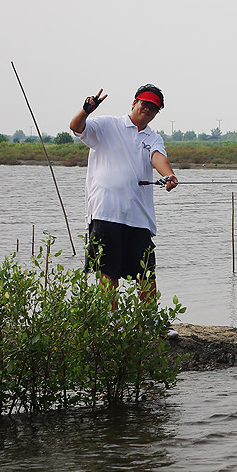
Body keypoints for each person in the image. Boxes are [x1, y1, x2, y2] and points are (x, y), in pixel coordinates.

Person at [70, 83, 179, 337]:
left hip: (138, 215)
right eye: (144, 104)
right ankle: (112, 321)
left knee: (145, 272)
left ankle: (151, 321)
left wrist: (169, 175)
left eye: (153, 108)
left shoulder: (153, 137)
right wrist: (86, 110)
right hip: (105, 211)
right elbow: (76, 128)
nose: (147, 110)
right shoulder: (108, 125)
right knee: (107, 270)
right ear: (134, 102)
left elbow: (158, 157)